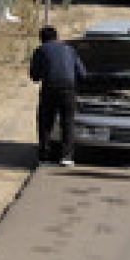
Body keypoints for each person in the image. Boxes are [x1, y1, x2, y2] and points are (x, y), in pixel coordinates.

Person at [29, 25, 86, 166]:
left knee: (45, 121)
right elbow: (82, 73)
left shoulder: (40, 50)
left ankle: (44, 156)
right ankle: (67, 157)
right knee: (67, 122)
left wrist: (44, 72)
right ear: (57, 37)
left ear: (41, 39)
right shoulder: (69, 49)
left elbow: (34, 76)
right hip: (68, 88)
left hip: (50, 87)